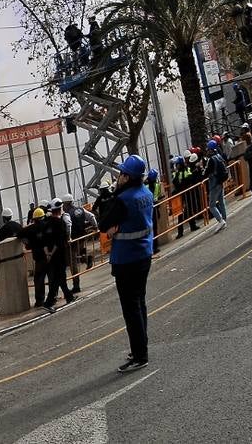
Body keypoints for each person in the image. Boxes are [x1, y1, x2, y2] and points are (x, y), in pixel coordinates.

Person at [100, 154, 154, 372]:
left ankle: (140, 355)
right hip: (144, 254)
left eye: (121, 173)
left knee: (131, 308)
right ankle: (141, 346)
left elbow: (103, 223)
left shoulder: (123, 199)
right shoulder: (146, 193)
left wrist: (114, 193)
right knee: (139, 303)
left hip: (126, 258)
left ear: (127, 177)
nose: (118, 176)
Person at [43, 201, 75, 311]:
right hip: (59, 254)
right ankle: (48, 302)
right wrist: (52, 253)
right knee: (58, 278)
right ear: (60, 209)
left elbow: (44, 241)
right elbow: (59, 241)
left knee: (60, 277)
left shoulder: (47, 223)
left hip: (50, 256)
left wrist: (48, 254)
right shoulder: (60, 223)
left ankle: (69, 296)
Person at [19, 208, 50, 307]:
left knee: (39, 279)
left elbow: (20, 234)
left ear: (34, 219)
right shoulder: (47, 225)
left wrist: (28, 244)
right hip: (50, 256)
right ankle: (53, 297)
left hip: (39, 258)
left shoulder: (30, 229)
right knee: (52, 277)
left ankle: (40, 300)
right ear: (43, 217)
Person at [205, 139, 230, 231]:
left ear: (210, 150)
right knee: (221, 201)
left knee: (212, 205)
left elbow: (206, 172)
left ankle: (220, 220)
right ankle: (224, 219)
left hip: (214, 183)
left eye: (208, 149)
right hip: (220, 181)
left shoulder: (211, 159)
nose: (207, 151)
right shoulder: (219, 156)